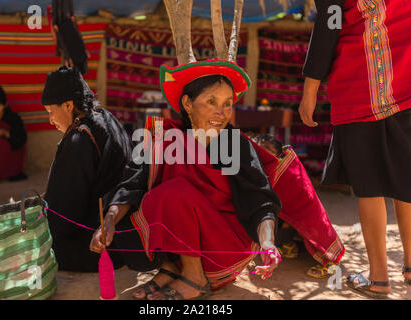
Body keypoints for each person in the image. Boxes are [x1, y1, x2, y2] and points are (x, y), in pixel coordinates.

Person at [90, 60, 344, 300]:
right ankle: (170, 268)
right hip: (181, 241)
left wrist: (267, 243)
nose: (220, 112)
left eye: (227, 104)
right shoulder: (164, 139)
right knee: (123, 221)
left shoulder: (235, 145)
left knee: (175, 192)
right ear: (187, 104)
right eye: (211, 102)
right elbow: (132, 184)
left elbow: (261, 200)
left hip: (223, 247)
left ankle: (194, 279)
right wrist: (108, 221)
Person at [300, 0, 411, 298]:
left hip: (359, 90)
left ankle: (378, 278)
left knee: (369, 186)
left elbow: (328, 27)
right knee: (406, 179)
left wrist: (309, 92)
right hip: (406, 86)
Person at [41, 66, 132, 272]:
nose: (50, 120)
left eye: (50, 112)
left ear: (67, 105)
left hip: (97, 244)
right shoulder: (106, 117)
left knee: (30, 247)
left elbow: (64, 214)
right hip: (122, 235)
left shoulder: (79, 140)